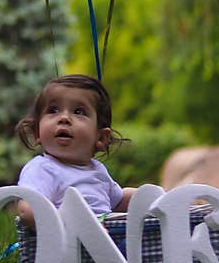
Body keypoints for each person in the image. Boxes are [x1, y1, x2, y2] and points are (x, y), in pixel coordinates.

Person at [14, 74, 135, 230]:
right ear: (37, 133)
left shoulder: (97, 170)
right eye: (53, 110)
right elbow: (28, 209)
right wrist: (65, 226)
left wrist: (152, 198)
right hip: (66, 246)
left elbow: (118, 202)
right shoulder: (43, 169)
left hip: (106, 247)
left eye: (78, 111)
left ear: (100, 138)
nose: (64, 118)